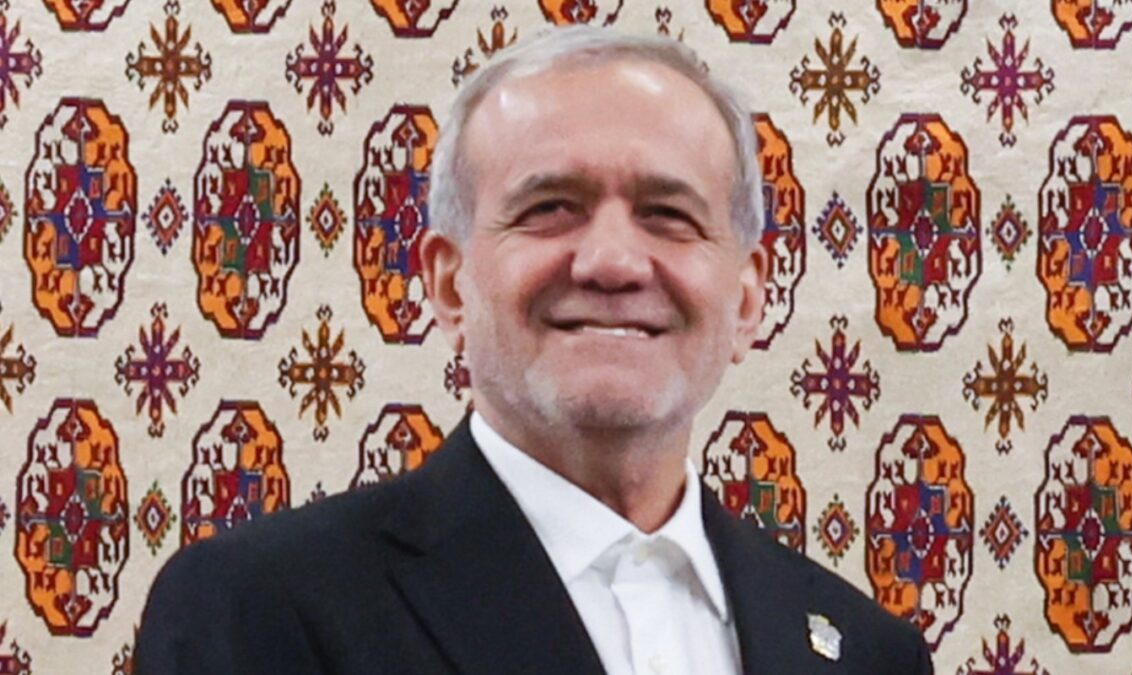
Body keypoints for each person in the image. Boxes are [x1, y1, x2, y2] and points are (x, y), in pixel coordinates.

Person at [135, 26, 933, 675]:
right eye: (551, 207)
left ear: (750, 296)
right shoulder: (262, 611)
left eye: (668, 215)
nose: (613, 262)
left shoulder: (867, 653)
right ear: (448, 286)